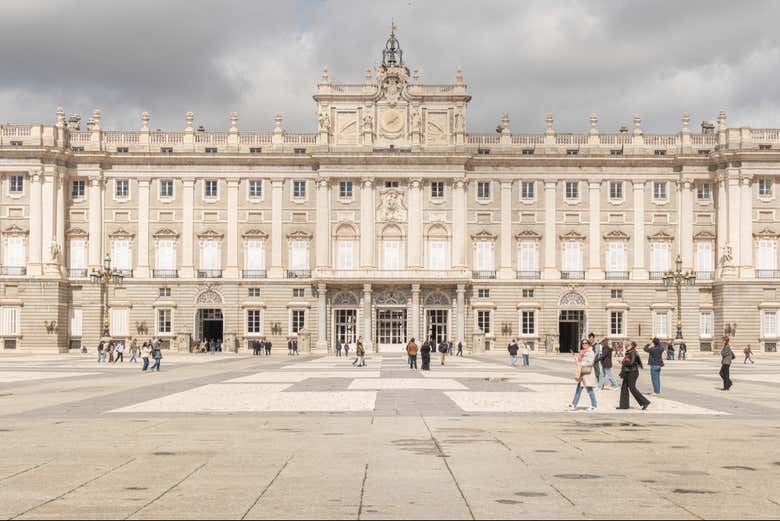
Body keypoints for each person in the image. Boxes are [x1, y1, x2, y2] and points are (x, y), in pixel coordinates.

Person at [617, 341, 650, 410]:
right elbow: (629, 361)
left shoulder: (633, 352)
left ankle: (645, 402)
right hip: (627, 372)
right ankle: (624, 405)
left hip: (632, 372)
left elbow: (631, 363)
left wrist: (623, 362)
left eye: (628, 345)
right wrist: (623, 362)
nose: (626, 346)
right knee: (624, 388)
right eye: (625, 345)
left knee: (632, 388)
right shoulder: (629, 352)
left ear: (632, 346)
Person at [568, 339, 598, 411]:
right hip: (582, 373)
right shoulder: (582, 352)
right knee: (578, 389)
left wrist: (581, 364)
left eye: (586, 343)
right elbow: (579, 361)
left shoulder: (590, 352)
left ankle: (594, 405)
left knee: (589, 389)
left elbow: (590, 362)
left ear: (589, 344)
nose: (584, 344)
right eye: (583, 343)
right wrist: (575, 358)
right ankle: (574, 404)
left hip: (587, 373)